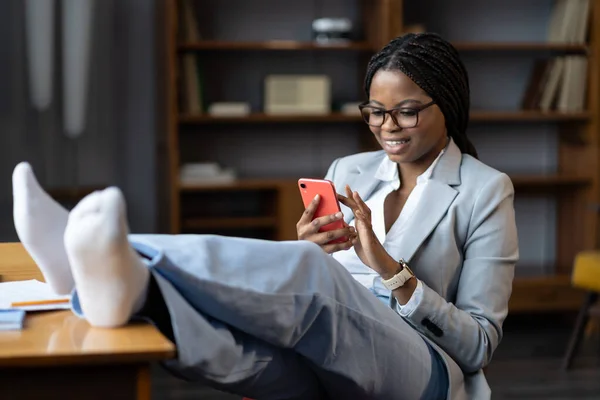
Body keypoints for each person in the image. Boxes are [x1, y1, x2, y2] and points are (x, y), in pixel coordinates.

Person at [11, 32, 518, 400]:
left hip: (422, 371)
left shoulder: (484, 190)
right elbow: (315, 277)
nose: (387, 127)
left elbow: (478, 346)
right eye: (374, 111)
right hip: (332, 349)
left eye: (406, 110)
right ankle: (126, 288)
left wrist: (388, 268)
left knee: (315, 275)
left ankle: (128, 255)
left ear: (446, 105)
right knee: (237, 354)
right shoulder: (351, 169)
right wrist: (306, 245)